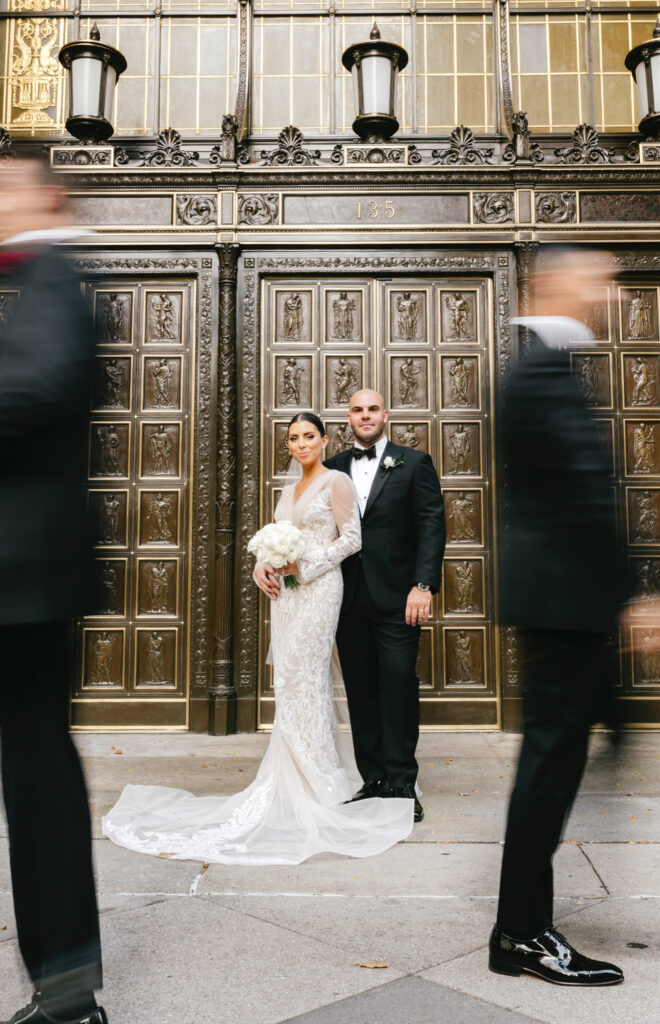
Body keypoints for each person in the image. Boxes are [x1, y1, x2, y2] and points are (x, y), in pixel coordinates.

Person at [103, 412, 414, 864]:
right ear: (287, 445)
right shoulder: (287, 491)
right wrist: (260, 566)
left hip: (320, 589)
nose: (302, 443)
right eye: (294, 438)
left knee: (306, 676)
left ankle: (320, 781)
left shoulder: (336, 483)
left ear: (325, 440)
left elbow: (351, 540)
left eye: (310, 436)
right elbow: (272, 541)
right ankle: (288, 779)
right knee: (286, 680)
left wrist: (304, 568)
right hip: (285, 597)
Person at [489, 248, 629, 987]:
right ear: (551, 284)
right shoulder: (538, 373)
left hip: (567, 601)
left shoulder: (551, 369)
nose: (606, 291)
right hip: (560, 602)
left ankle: (521, 929)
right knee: (546, 770)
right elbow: (576, 500)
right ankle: (520, 933)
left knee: (557, 762)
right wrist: (635, 598)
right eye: (594, 279)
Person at [0, 158, 106, 1023]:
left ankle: (68, 990)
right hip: (22, 575)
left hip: (23, 578)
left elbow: (34, 389)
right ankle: (65, 980)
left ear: (42, 196)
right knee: (35, 770)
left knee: (37, 774)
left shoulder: (56, 276)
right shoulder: (37, 281)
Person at [278, 390, 443, 823]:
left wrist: (423, 586)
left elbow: (431, 527)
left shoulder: (414, 463)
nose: (365, 415)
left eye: (372, 409)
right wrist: (270, 560)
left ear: (384, 415)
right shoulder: (330, 469)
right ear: (347, 421)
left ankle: (402, 783)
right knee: (362, 690)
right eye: (357, 410)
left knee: (397, 683)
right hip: (344, 599)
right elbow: (301, 529)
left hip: (398, 597)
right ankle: (373, 780)